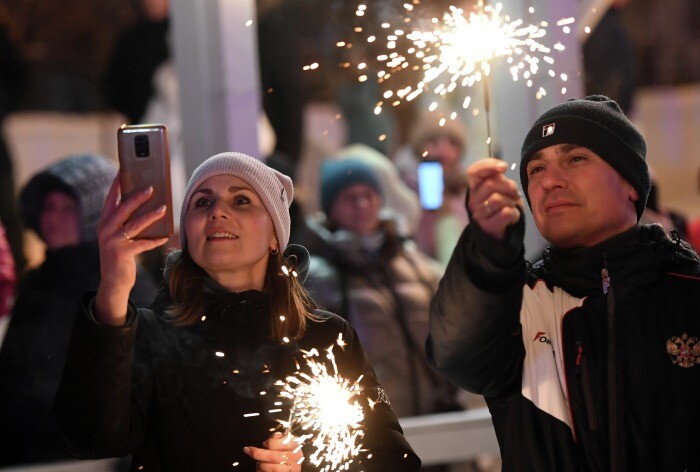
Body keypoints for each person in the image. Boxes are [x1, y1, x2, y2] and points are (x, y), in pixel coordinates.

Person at [53, 152, 420, 471]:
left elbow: (389, 459)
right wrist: (114, 290)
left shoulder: (324, 338)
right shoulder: (149, 334)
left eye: (242, 200)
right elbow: (91, 437)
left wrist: (308, 464)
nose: (218, 213)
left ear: (276, 235)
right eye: (202, 202)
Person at [426, 96, 700, 471]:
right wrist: (488, 251)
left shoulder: (689, 291)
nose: (550, 181)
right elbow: (457, 354)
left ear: (631, 183)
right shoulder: (518, 304)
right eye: (536, 169)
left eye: (575, 159)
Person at [0, 154, 157, 466]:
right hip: (22, 448)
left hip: (78, 455)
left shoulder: (118, 281)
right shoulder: (40, 278)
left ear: (95, 213)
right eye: (48, 207)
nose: (52, 218)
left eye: (68, 208)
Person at [304, 159, 455, 420]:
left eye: (368, 195)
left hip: (436, 415)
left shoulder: (414, 261)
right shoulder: (317, 276)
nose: (362, 205)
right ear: (331, 207)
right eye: (350, 198)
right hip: (369, 426)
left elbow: (456, 325)